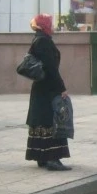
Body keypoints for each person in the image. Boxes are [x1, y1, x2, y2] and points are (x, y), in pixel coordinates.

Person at [25, 14, 72, 171]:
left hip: (41, 88)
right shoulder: (44, 41)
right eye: (50, 24)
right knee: (52, 121)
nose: (52, 26)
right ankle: (52, 158)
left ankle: (42, 157)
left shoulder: (38, 39)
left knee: (42, 120)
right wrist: (61, 87)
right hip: (48, 89)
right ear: (44, 25)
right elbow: (51, 68)